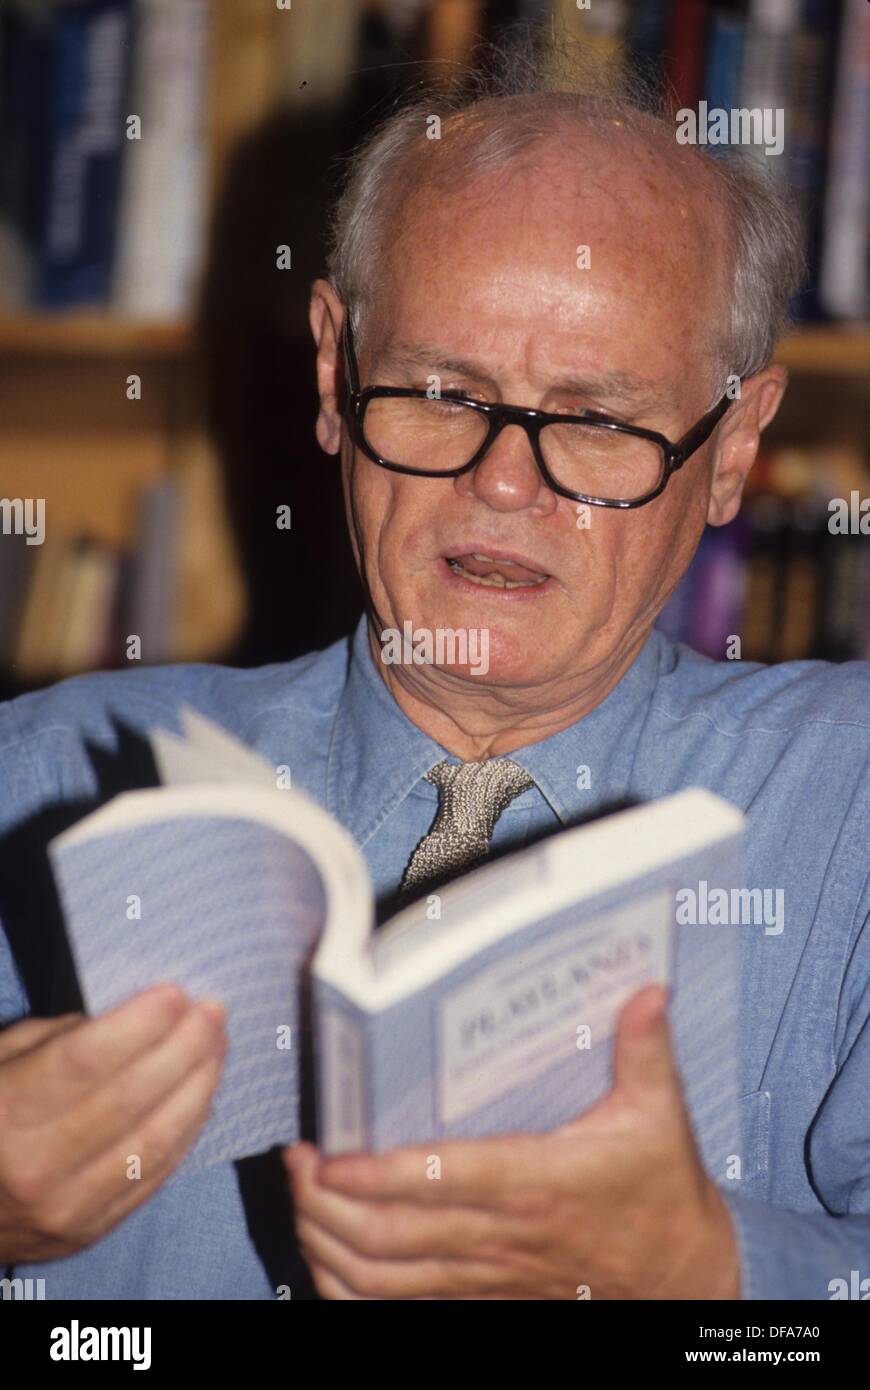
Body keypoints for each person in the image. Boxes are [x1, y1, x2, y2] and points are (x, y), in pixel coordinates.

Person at [1, 47, 868, 1301]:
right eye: (438, 391)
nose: (502, 483)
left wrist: (708, 1274)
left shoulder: (846, 805)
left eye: (597, 420)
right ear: (332, 378)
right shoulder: (39, 784)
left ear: (732, 450)